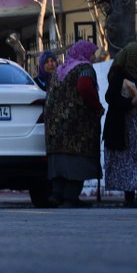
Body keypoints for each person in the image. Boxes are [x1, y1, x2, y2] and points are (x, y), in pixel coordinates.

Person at [44, 39, 103, 207]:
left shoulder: (59, 69)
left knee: (60, 160)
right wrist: (97, 107)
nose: (92, 57)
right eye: (91, 53)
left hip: (54, 125)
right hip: (77, 124)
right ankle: (70, 197)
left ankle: (56, 195)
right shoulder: (84, 69)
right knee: (77, 159)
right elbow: (84, 87)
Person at [103, 41, 137, 205]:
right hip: (123, 127)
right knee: (130, 160)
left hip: (133, 127)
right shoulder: (119, 75)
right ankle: (133, 196)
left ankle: (135, 195)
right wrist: (131, 102)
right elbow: (110, 98)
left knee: (134, 160)